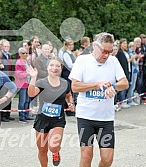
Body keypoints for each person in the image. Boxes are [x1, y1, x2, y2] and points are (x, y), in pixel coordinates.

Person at [69, 32, 129, 167]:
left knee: (107, 159)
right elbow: (75, 86)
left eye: (110, 51)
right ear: (95, 46)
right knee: (86, 155)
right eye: (104, 51)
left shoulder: (113, 61)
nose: (107, 55)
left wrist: (113, 86)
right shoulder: (82, 60)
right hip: (86, 117)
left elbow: (125, 83)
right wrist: (97, 84)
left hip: (106, 119)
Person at [28, 57, 75, 167]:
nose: (55, 68)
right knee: (42, 150)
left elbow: (68, 95)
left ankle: (55, 152)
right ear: (47, 68)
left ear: (61, 68)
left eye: (57, 66)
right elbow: (31, 94)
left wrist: (70, 103)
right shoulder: (41, 82)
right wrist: (33, 78)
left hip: (57, 120)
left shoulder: (65, 83)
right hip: (42, 119)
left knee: (53, 146)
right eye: (52, 65)